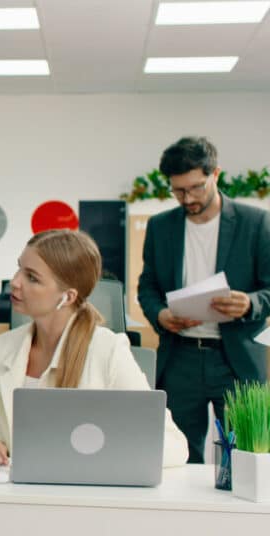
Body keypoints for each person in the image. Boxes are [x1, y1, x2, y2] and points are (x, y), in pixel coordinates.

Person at [0, 230, 188, 467]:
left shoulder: (108, 350)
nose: (15, 282)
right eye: (19, 268)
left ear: (67, 296)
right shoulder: (1, 348)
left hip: (84, 495)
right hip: (21, 494)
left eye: (32, 277)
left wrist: (98, 453)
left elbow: (174, 445)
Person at [138, 136, 270, 463]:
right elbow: (148, 286)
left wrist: (250, 304)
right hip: (180, 358)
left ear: (216, 174)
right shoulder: (160, 227)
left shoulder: (256, 223)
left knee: (244, 457)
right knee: (178, 456)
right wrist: (161, 314)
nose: (188, 198)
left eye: (196, 187)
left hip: (235, 359)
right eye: (178, 190)